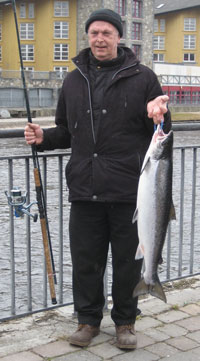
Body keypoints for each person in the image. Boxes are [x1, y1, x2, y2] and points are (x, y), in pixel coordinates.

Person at [24, 9, 171, 350]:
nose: (100, 39)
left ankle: (125, 323)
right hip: (85, 189)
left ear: (119, 37)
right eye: (94, 33)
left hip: (129, 191)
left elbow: (164, 130)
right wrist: (43, 137)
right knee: (86, 262)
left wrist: (159, 115)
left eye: (107, 32)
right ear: (88, 38)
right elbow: (65, 131)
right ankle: (87, 321)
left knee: (126, 263)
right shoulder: (74, 80)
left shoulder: (144, 77)